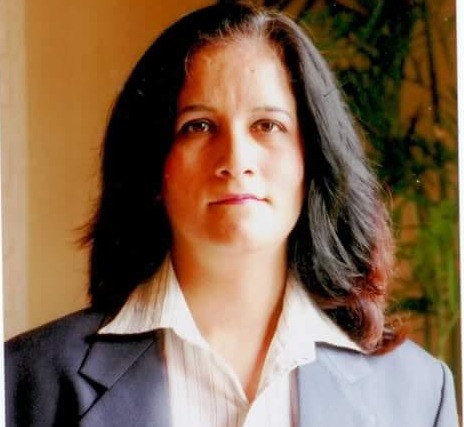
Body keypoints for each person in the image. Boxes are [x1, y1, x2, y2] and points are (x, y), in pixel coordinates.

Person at [5, 2, 458, 426]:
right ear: (153, 164)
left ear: (313, 158)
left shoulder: (419, 393)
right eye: (198, 126)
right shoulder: (23, 380)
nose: (236, 160)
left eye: (268, 125)